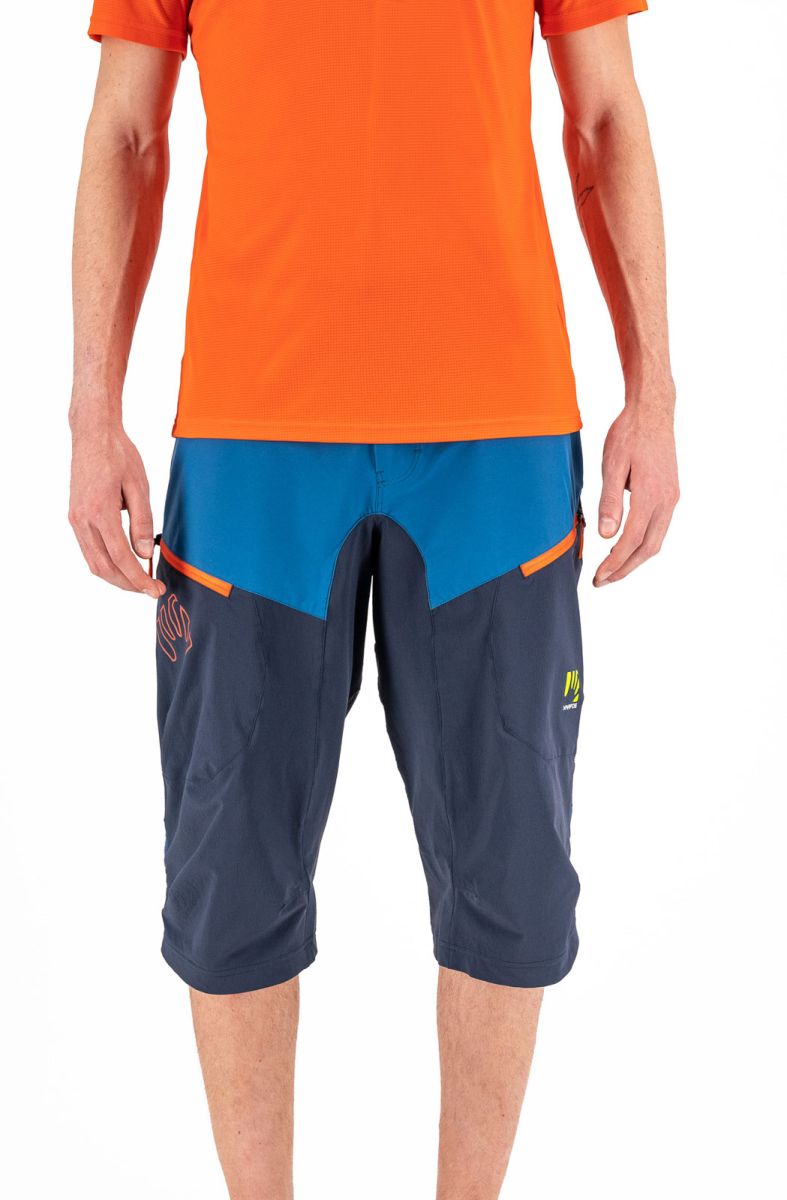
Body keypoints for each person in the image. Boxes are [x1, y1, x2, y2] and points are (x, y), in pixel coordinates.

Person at [69, 1, 678, 1196]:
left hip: (495, 435)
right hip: (253, 435)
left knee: (511, 874)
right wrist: (94, 411)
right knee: (228, 873)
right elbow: (126, 134)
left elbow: (604, 113)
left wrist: (652, 394)